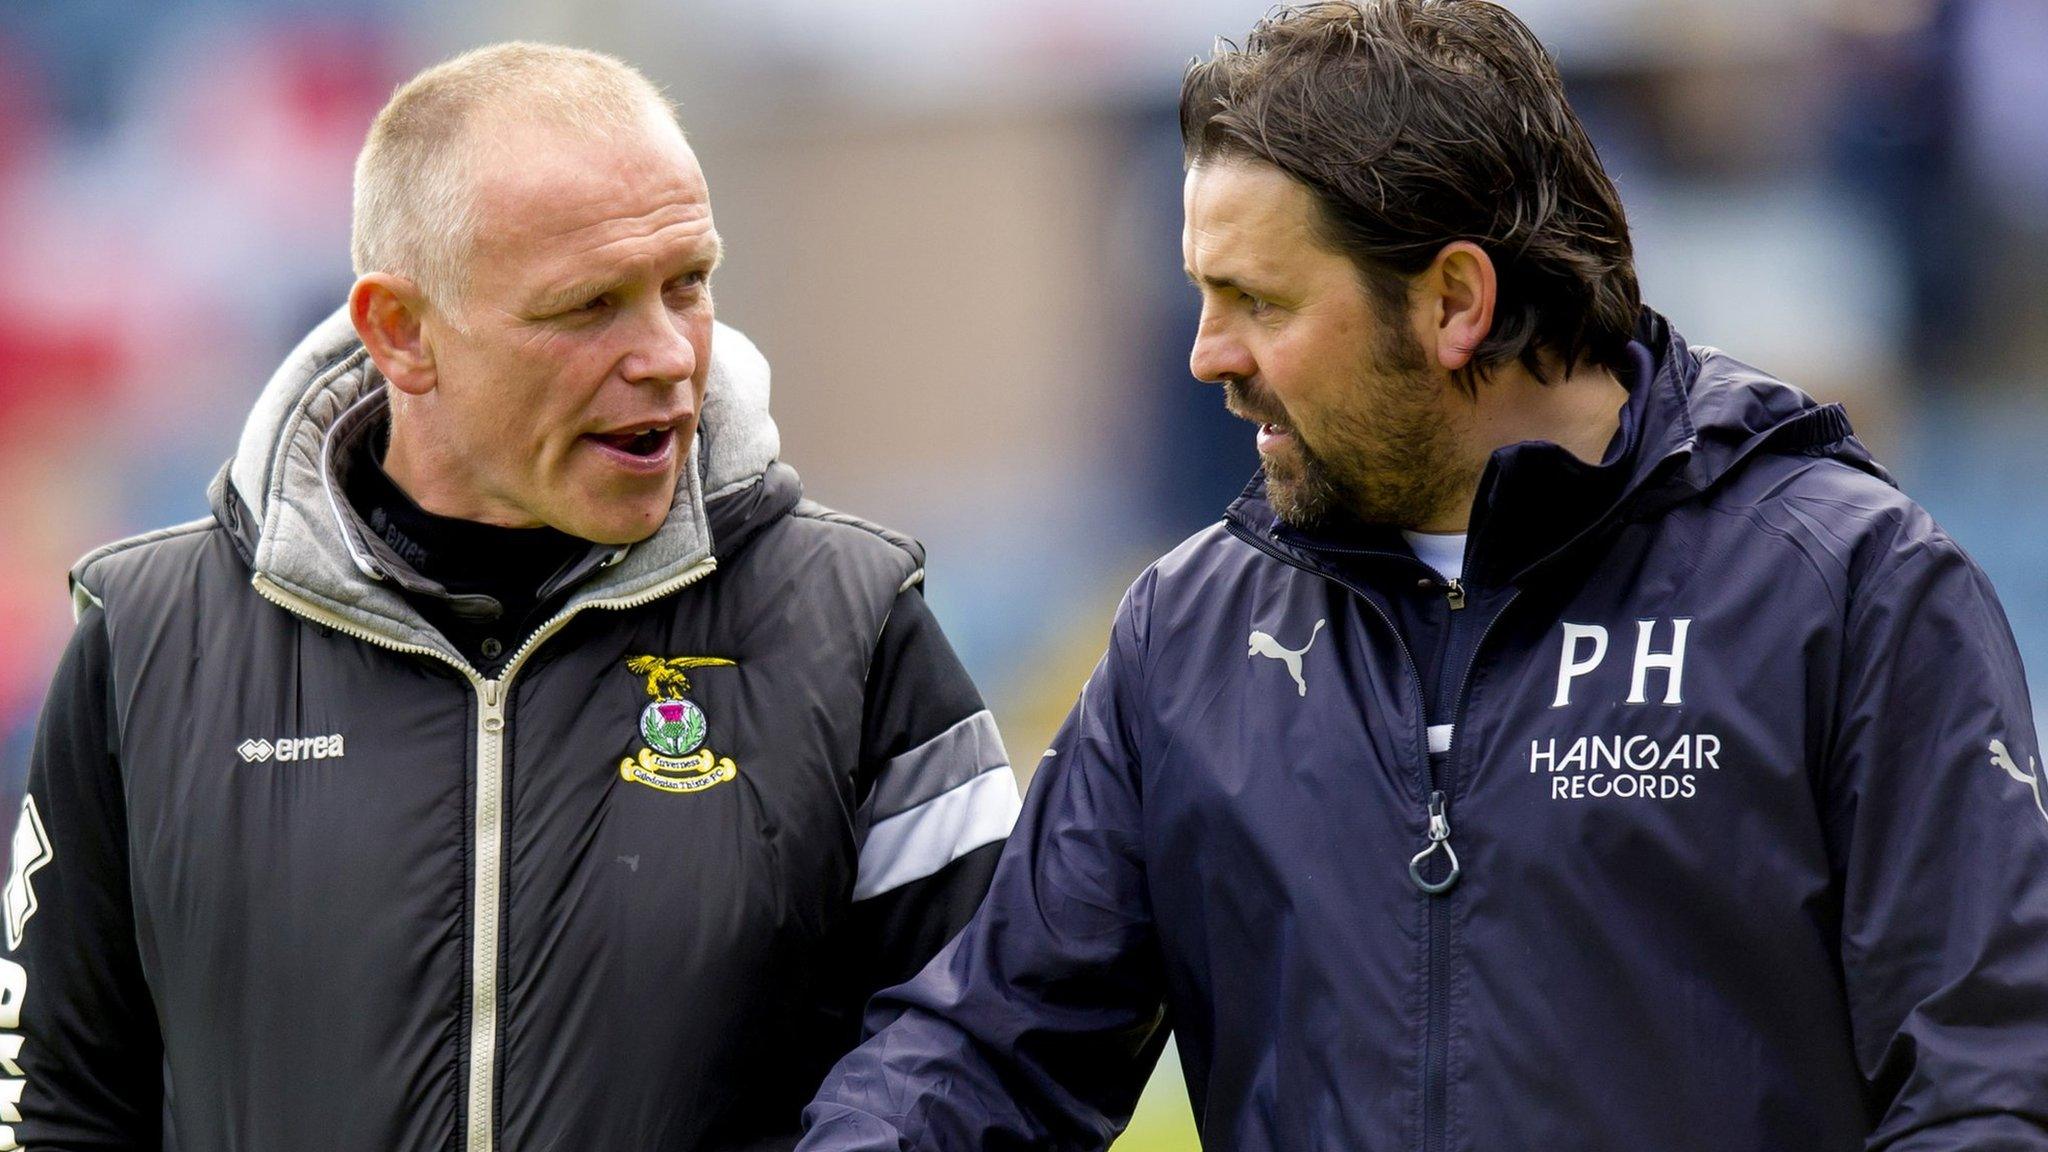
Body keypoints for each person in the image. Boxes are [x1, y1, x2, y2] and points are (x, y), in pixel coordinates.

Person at [797, 3, 2048, 1149]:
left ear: (1454, 300)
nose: (1204, 357)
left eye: (1257, 301)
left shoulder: (1845, 586)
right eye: (1199, 296)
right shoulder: (1186, 634)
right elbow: (985, 1055)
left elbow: (1987, 1086)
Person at [1, 43, 1020, 1152]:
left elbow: (992, 1045)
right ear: (401, 331)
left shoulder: (858, 626)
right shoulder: (149, 644)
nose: (668, 355)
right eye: (588, 307)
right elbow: (60, 1106)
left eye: (687, 282)